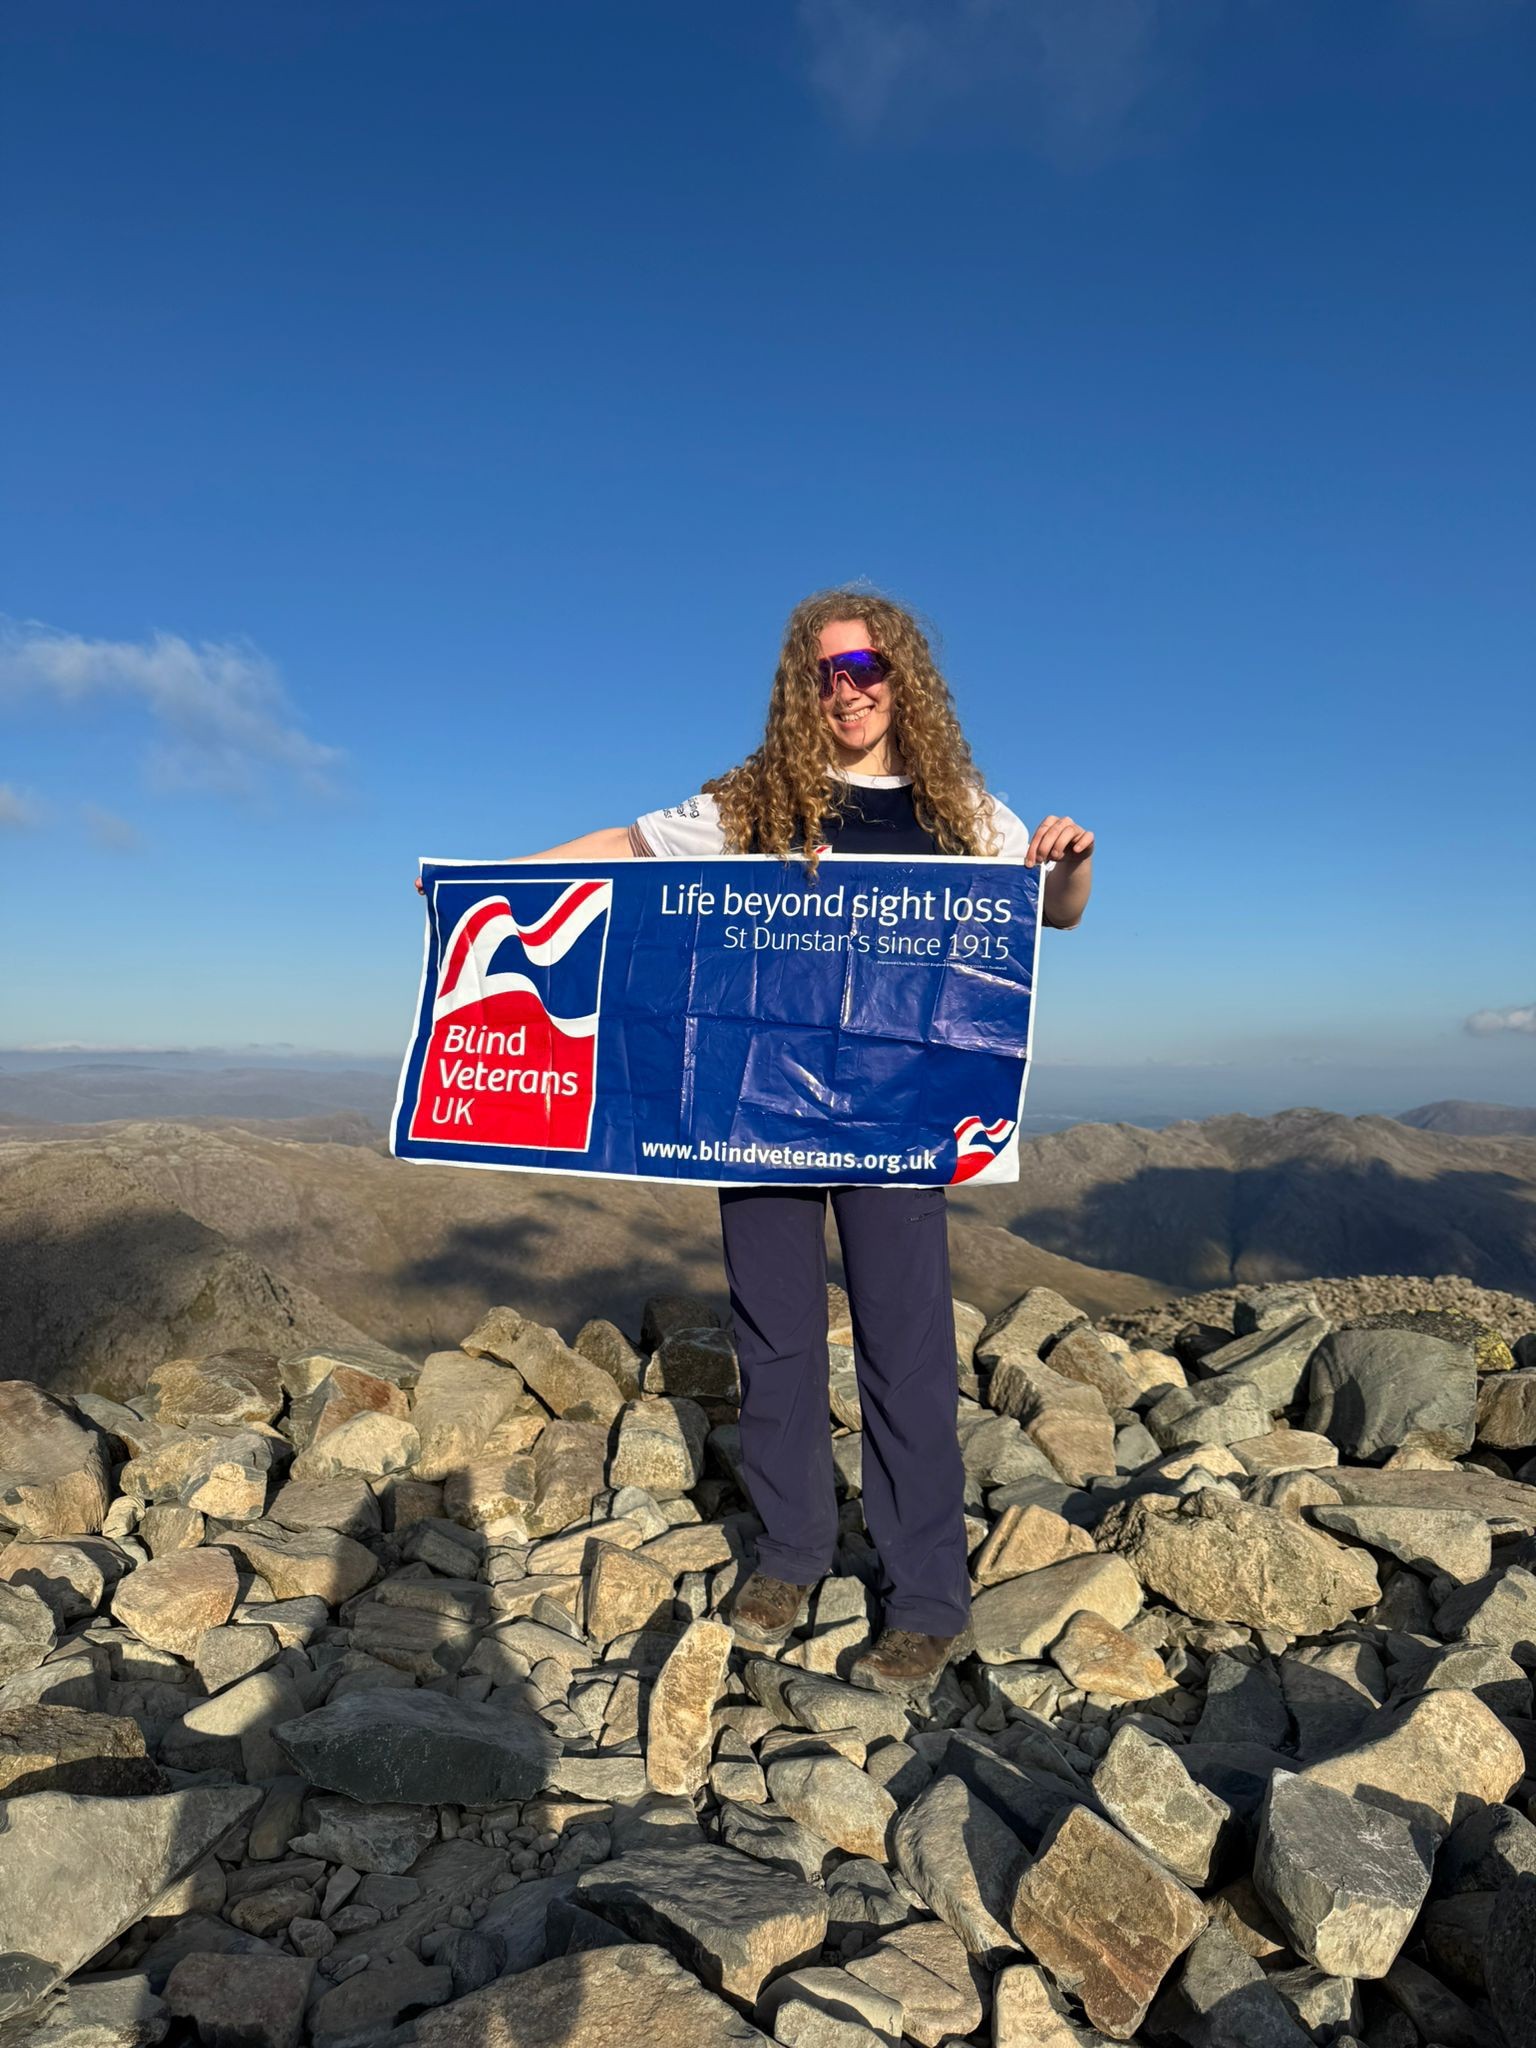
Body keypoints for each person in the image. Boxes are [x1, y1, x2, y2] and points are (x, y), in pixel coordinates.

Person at [426, 586, 1094, 1699]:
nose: (851, 686)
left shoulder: (959, 805)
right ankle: (790, 1552)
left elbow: (1051, 910)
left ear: (903, 675)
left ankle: (927, 1597)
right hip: (761, 1114)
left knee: (907, 1350)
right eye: (829, 669)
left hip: (897, 1119)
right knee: (775, 1338)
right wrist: (486, 886)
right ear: (805, 682)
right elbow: (628, 849)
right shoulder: (753, 798)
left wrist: (1066, 859)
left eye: (869, 666)